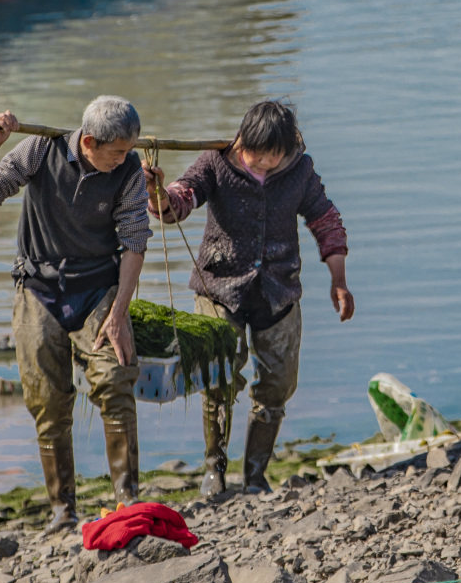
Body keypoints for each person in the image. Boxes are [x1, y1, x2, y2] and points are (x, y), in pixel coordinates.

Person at [147, 100, 353, 497]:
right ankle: (215, 468)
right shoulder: (216, 162)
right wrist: (159, 193)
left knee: (277, 384)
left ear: (286, 150)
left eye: (270, 158)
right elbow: (182, 198)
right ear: (240, 141)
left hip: (278, 290)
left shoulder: (300, 171)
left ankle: (256, 474)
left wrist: (338, 280)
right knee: (219, 378)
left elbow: (326, 220)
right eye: (252, 155)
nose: (259, 163)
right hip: (219, 288)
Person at [0, 97, 149, 531]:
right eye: (117, 152)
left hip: (98, 287)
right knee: (47, 401)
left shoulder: (128, 171)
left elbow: (135, 241)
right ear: (88, 142)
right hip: (38, 290)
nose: (124, 159)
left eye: (128, 151)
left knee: (116, 379)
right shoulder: (40, 152)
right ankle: (63, 510)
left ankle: (128, 500)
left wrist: (118, 313)